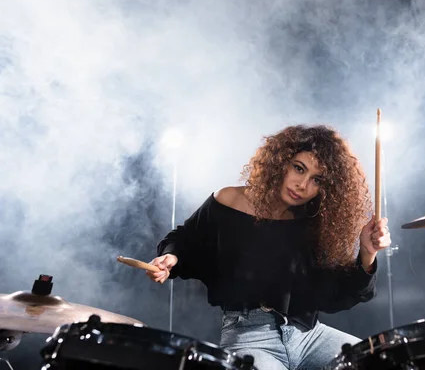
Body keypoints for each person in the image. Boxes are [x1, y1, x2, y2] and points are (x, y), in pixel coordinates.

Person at [146, 124, 391, 370]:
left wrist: (367, 252)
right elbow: (184, 238)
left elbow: (335, 296)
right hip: (250, 337)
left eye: (316, 179)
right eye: (298, 168)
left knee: (378, 363)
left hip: (309, 336)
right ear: (280, 162)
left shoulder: (314, 221)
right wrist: (171, 257)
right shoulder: (230, 201)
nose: (302, 185)